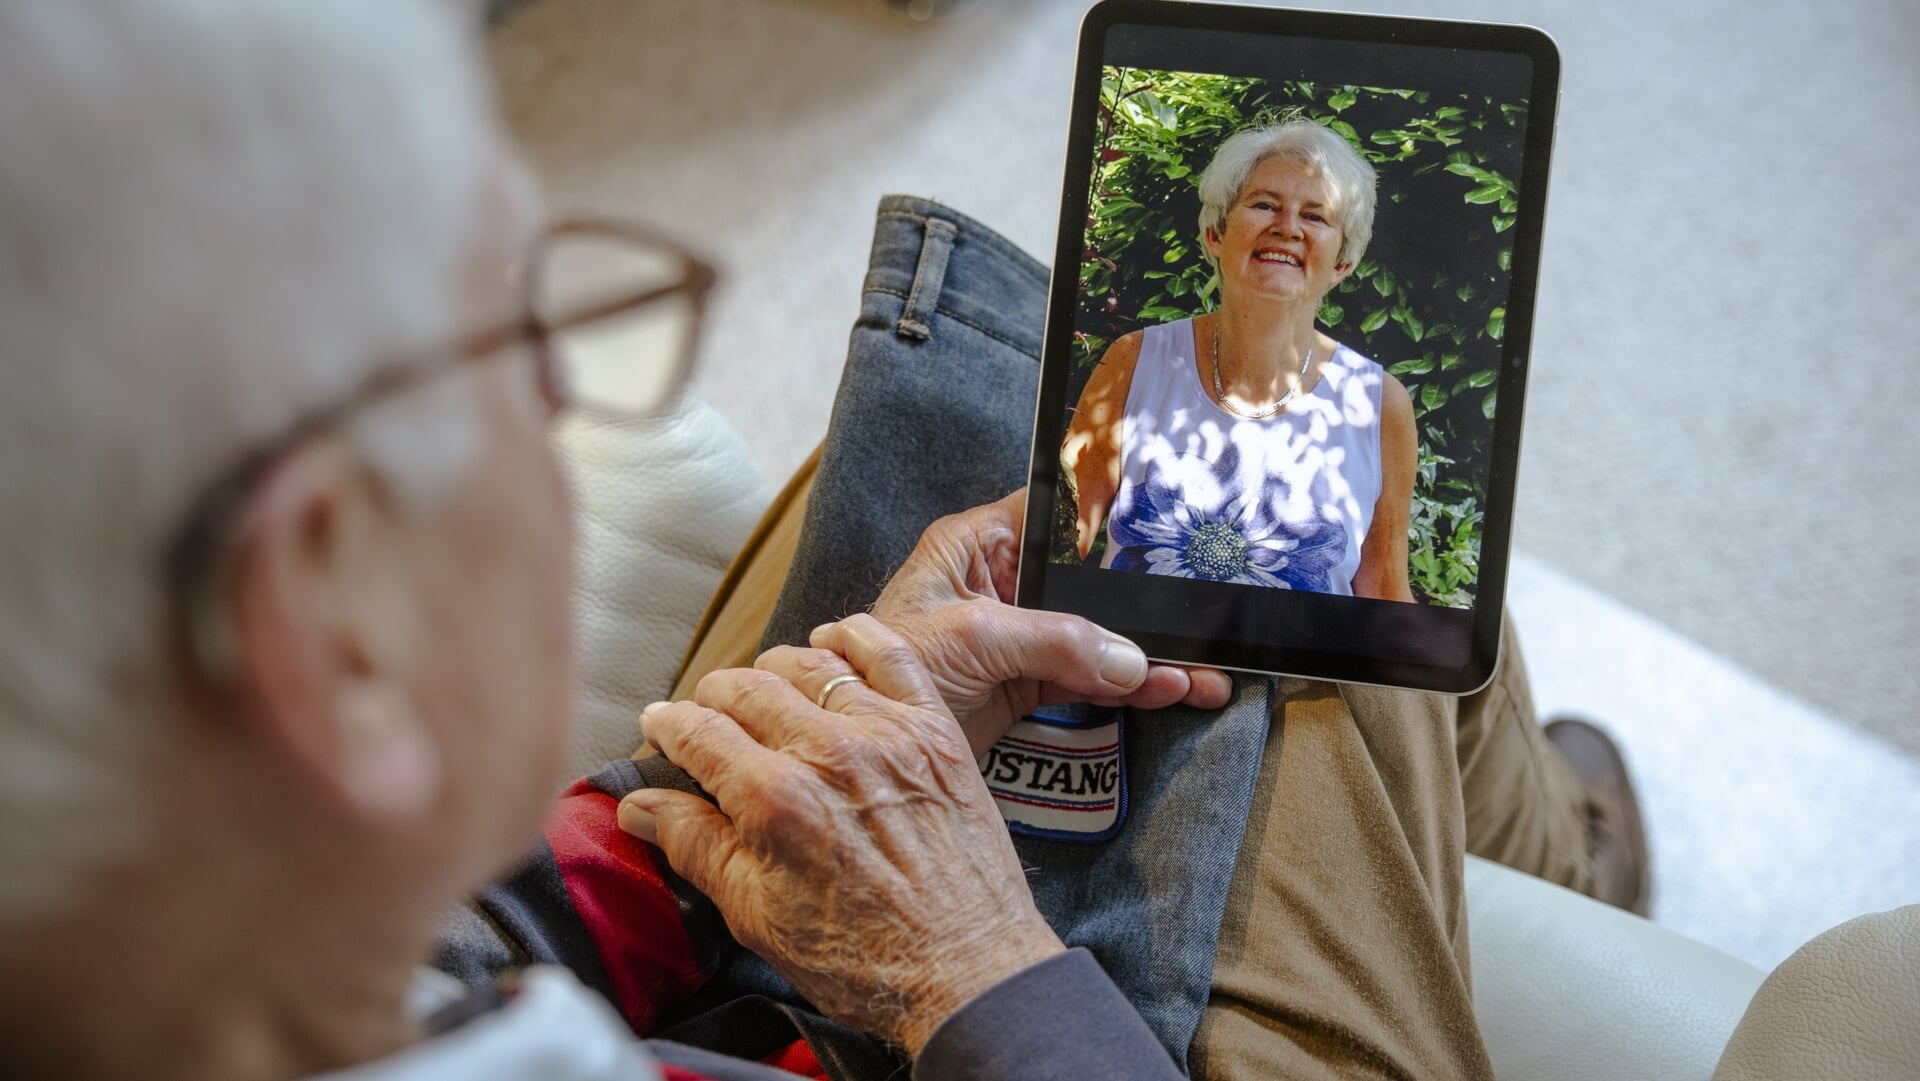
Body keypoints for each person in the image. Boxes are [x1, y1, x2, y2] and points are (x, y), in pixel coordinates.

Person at [0, 4, 1647, 1080]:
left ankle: (1557, 850)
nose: (567, 389)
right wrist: (972, 967)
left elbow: (446, 963)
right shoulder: (1143, 367)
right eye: (514, 333)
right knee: (1363, 660)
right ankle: (1570, 868)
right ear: (334, 625)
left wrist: (713, 822)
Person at [1063, 118, 1416, 601]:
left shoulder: (1379, 405)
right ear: (1216, 233)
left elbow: (1385, 593)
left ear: (1342, 263)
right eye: (1264, 204)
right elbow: (1060, 538)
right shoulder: (1134, 361)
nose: (1287, 227)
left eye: (1315, 216)